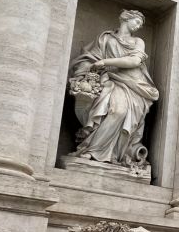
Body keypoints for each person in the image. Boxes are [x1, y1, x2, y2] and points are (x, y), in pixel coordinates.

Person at [68, 10, 159, 169]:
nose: (138, 26)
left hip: (134, 84)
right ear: (125, 18)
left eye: (141, 24)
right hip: (109, 79)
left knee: (120, 111)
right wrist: (88, 70)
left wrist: (105, 62)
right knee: (106, 108)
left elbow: (134, 61)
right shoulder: (105, 38)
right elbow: (90, 58)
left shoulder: (138, 41)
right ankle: (94, 150)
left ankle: (105, 152)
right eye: (136, 22)